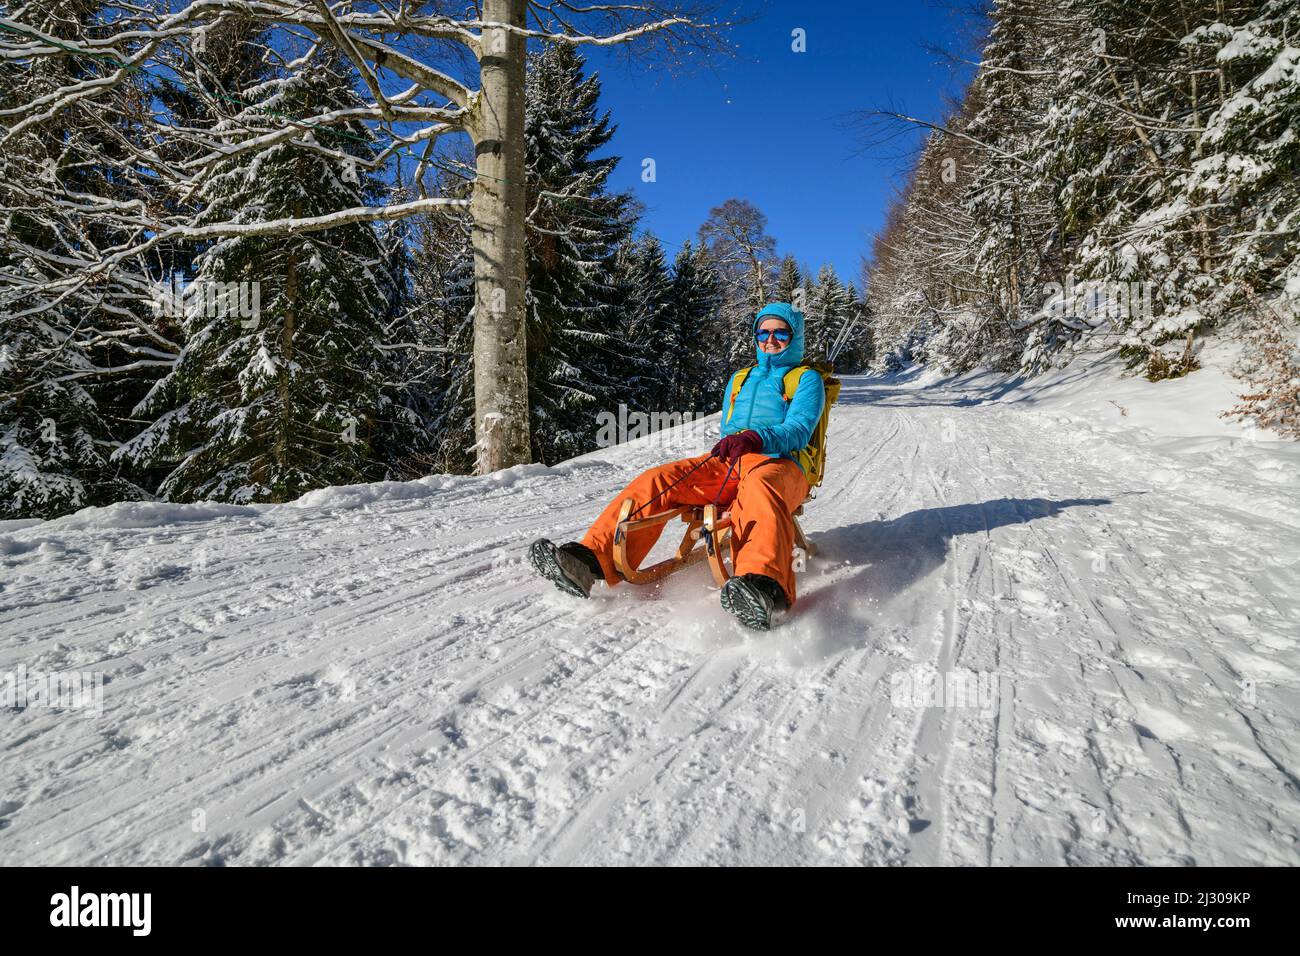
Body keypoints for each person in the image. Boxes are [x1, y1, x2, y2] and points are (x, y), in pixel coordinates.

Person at [530, 302, 825, 630]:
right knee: (659, 478)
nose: (770, 339)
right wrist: (735, 445)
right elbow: (729, 427)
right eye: (763, 332)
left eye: (780, 332)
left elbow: (799, 430)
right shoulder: (741, 378)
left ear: (794, 336)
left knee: (759, 488)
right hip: (731, 461)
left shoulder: (806, 379)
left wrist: (757, 439)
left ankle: (766, 589)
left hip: (782, 465)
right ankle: (589, 560)